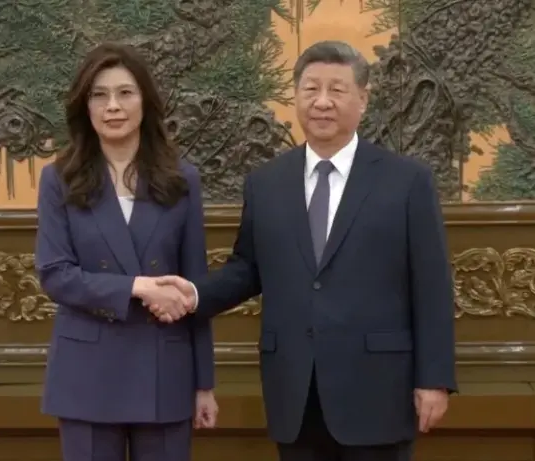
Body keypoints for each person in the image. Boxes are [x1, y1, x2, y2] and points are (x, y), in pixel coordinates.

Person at [149, 40, 457, 461]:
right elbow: (247, 269)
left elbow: (432, 285)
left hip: (378, 389)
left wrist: (434, 378)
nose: (322, 102)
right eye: (311, 89)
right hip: (295, 389)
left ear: (363, 99)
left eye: (337, 90)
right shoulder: (266, 183)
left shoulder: (407, 182)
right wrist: (194, 294)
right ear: (295, 97)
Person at [35, 42, 218, 461]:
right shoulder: (59, 179)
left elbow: (195, 287)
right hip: (87, 374)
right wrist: (138, 287)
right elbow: (56, 274)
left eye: (125, 93)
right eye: (99, 95)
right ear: (85, 106)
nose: (112, 106)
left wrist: (204, 384)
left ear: (145, 102)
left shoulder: (181, 179)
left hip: (165, 371)